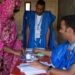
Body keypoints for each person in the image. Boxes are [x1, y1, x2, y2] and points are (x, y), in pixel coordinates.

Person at [0, 0, 24, 75]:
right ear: (7, 7)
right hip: (2, 58)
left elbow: (15, 38)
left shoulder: (12, 20)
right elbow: (1, 46)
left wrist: (20, 47)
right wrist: (15, 52)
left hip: (10, 57)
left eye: (17, 10)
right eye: (14, 10)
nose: (15, 13)